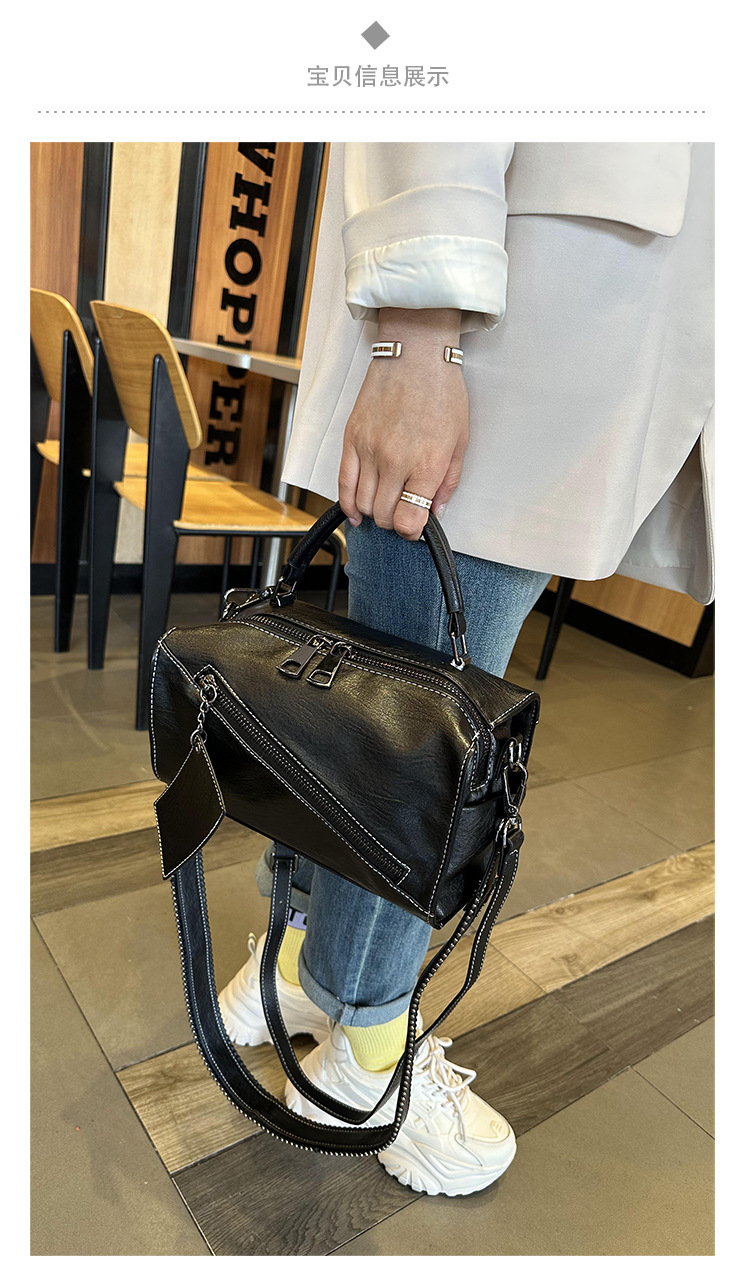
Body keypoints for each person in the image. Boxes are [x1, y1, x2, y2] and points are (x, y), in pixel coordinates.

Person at [218, 142, 714, 1197]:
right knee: (422, 742)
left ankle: (300, 963)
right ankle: (363, 1053)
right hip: (500, 341)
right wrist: (416, 337)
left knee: (367, 711)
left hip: (545, 336)